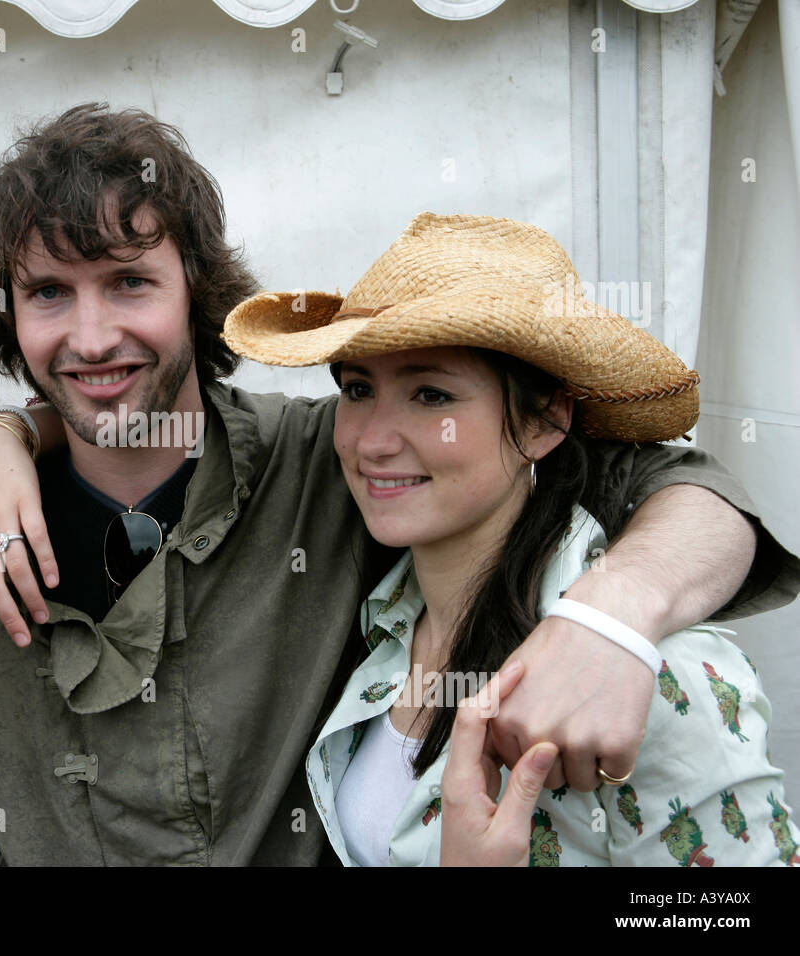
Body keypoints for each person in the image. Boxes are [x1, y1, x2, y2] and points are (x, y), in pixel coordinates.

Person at [0, 103, 799, 865]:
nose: (90, 336)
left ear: (196, 290)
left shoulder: (320, 465)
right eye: (47, 293)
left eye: (128, 282)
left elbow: (676, 480)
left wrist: (615, 616)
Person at [223, 211, 799, 866]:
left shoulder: (648, 670)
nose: (371, 441)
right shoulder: (384, 622)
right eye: (358, 388)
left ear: (545, 420)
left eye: (432, 395)